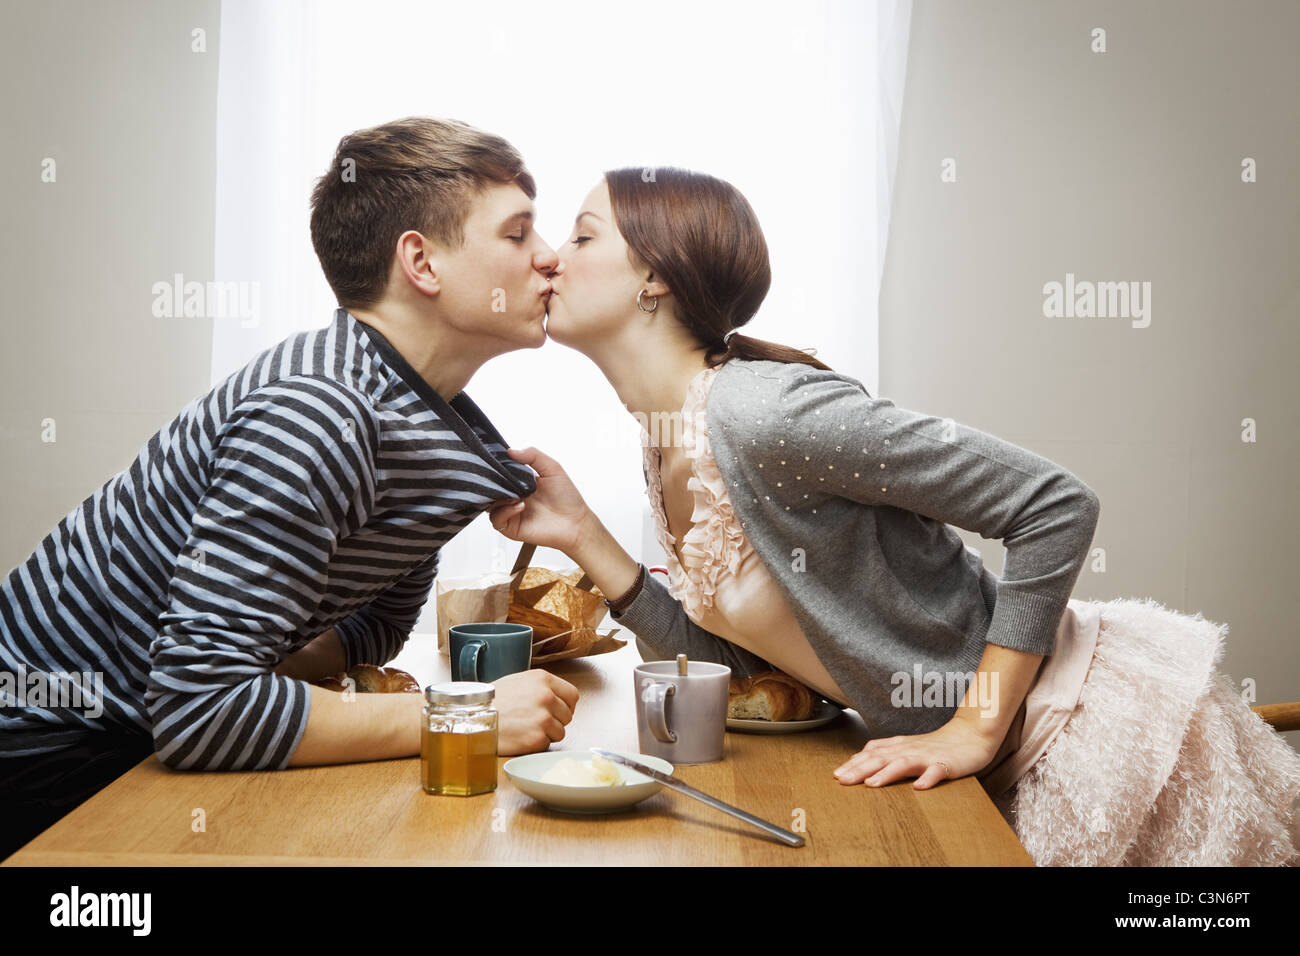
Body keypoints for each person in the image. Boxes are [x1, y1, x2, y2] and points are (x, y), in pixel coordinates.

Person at [486, 167, 1300, 865]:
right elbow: (733, 666)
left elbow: (1055, 504)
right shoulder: (668, 443)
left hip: (1089, 739)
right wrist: (583, 536)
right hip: (977, 778)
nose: (553, 256)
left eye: (582, 237)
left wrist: (975, 728)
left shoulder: (767, 416)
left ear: (653, 278)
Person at [0, 117, 578, 860]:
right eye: (518, 232)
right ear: (422, 262)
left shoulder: (426, 434)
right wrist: (466, 714)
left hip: (131, 737)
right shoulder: (318, 413)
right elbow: (199, 711)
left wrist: (257, 672)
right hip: (44, 752)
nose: (550, 256)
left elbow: (363, 634)